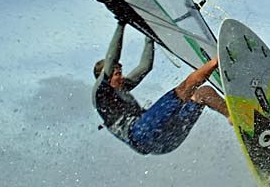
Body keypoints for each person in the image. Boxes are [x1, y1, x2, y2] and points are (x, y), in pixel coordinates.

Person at [92, 21, 230, 155]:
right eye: (117, 74)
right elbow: (112, 60)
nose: (121, 77)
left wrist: (149, 37)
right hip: (141, 134)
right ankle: (217, 60)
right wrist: (121, 24)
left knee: (203, 94)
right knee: (183, 90)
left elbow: (145, 67)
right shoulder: (100, 93)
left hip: (165, 142)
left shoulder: (121, 87)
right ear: (105, 76)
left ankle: (233, 117)